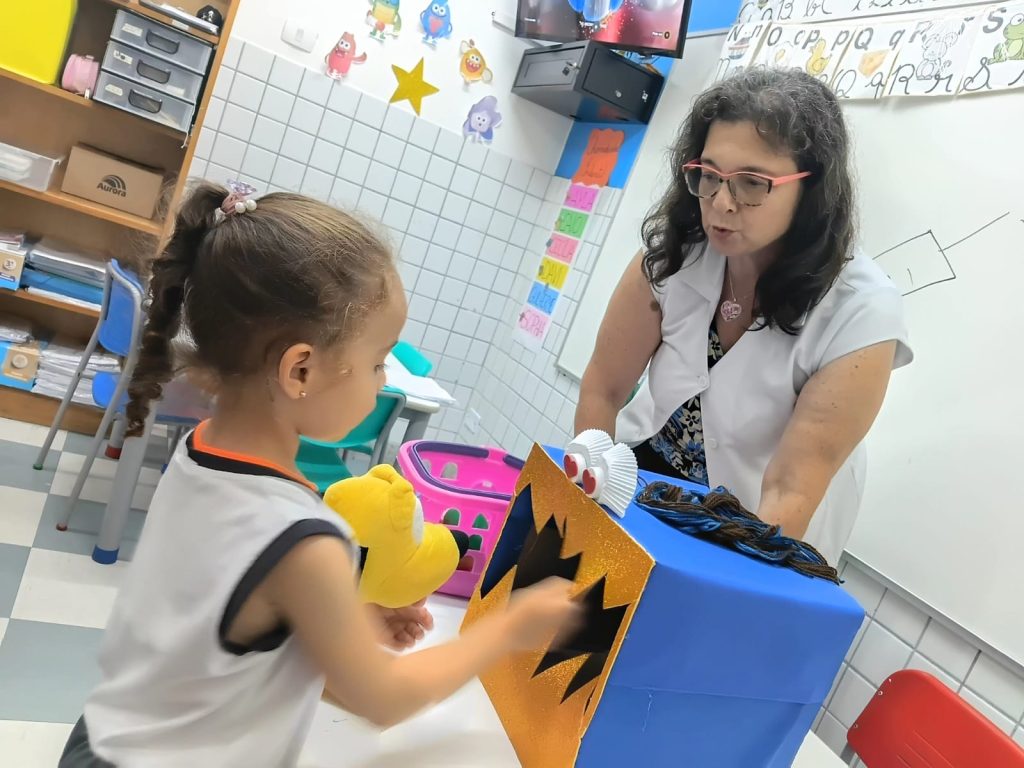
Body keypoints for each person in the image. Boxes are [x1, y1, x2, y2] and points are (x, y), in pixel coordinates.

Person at [61, 184, 579, 767]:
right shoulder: (305, 542)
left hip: (105, 738)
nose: (382, 381)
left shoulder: (198, 451)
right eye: (378, 362)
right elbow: (382, 697)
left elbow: (217, 631)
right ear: (300, 370)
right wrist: (506, 630)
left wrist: (336, 630)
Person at [575, 68, 912, 565]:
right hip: (645, 480)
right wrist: (584, 503)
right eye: (709, 175)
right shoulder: (676, 253)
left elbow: (790, 489)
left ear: (811, 191)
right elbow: (604, 389)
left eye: (753, 183)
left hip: (755, 524)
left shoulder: (861, 309)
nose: (721, 203)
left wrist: (719, 585)